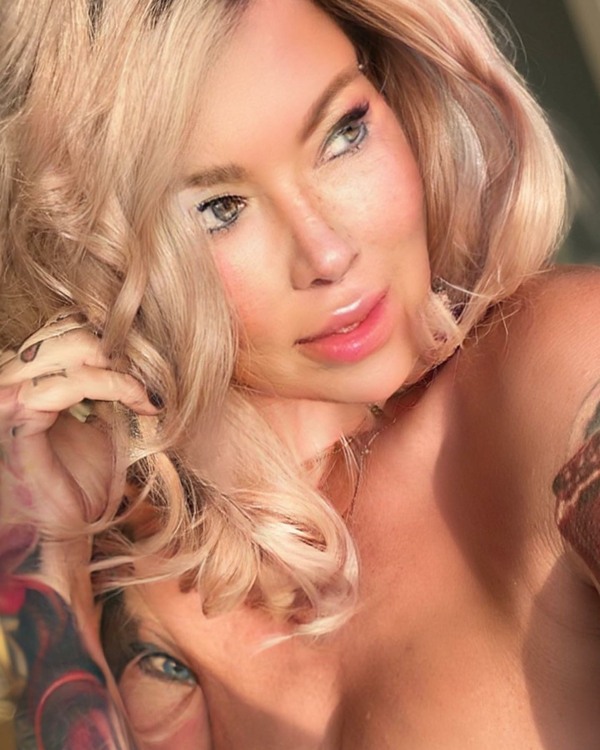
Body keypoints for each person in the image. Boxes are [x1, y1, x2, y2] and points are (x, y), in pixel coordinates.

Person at [0, 0, 599, 747]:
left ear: (401, 99)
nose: (327, 253)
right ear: (100, 263)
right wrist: (41, 554)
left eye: (343, 134)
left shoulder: (563, 373)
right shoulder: (135, 594)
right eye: (218, 209)